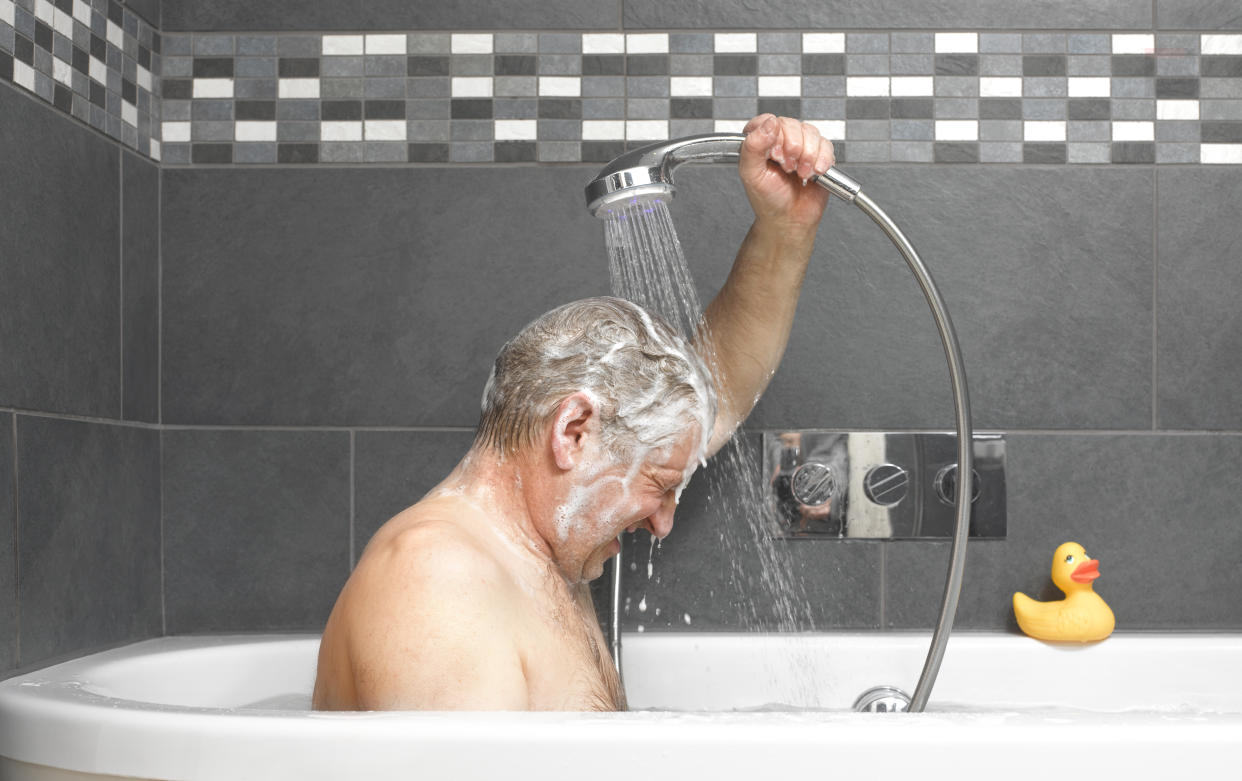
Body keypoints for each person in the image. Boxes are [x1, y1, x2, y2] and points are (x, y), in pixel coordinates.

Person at [312, 115, 835, 711]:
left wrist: (785, 228)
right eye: (662, 487)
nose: (663, 523)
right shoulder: (439, 582)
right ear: (573, 430)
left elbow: (717, 393)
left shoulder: (526, 553)